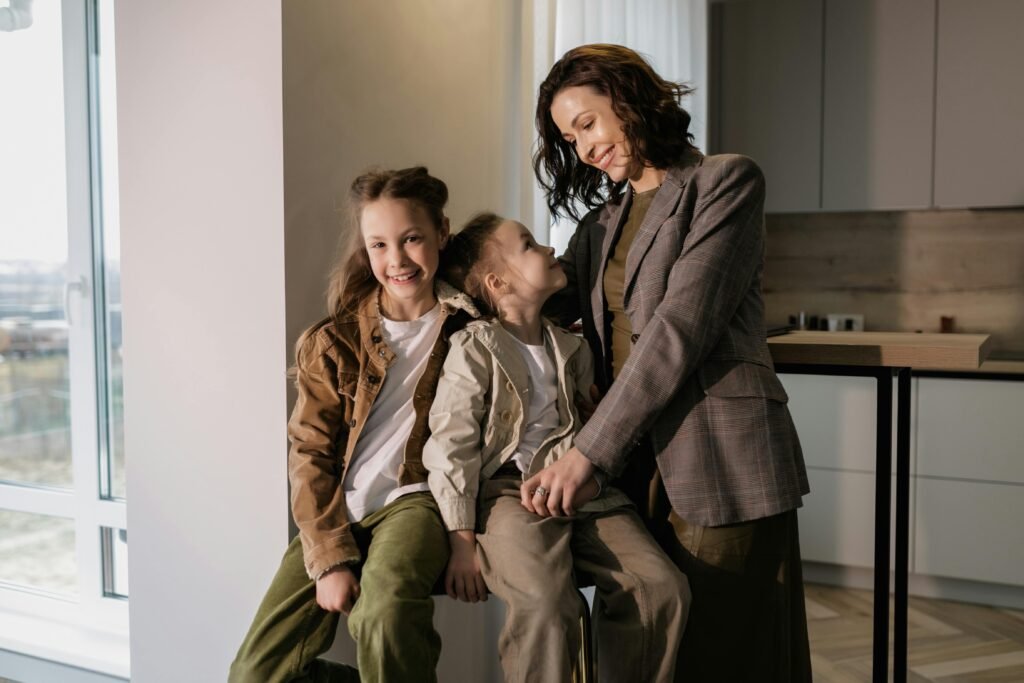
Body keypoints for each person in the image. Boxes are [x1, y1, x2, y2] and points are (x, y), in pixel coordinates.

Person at [525, 44, 812, 682]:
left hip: (722, 453)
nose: (584, 148)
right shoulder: (600, 224)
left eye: (588, 123)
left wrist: (588, 452)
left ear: (628, 100)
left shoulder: (726, 181)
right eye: (570, 138)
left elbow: (679, 327)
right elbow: (538, 302)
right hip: (636, 467)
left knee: (727, 654)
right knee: (655, 655)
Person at [229, 167, 479, 683]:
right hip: (340, 504)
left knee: (383, 617)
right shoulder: (333, 341)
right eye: (379, 245)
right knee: (254, 674)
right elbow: (310, 454)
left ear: (441, 233)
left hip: (416, 499)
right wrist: (329, 558)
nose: (397, 260)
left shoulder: (473, 327)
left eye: (411, 239)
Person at [423, 212, 689, 682]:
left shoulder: (576, 350)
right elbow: (452, 445)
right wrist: (461, 539)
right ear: (497, 282)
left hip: (587, 493)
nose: (547, 248)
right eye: (528, 244)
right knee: (547, 604)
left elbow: (599, 436)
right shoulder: (474, 348)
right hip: (508, 495)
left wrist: (596, 465)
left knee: (662, 587)